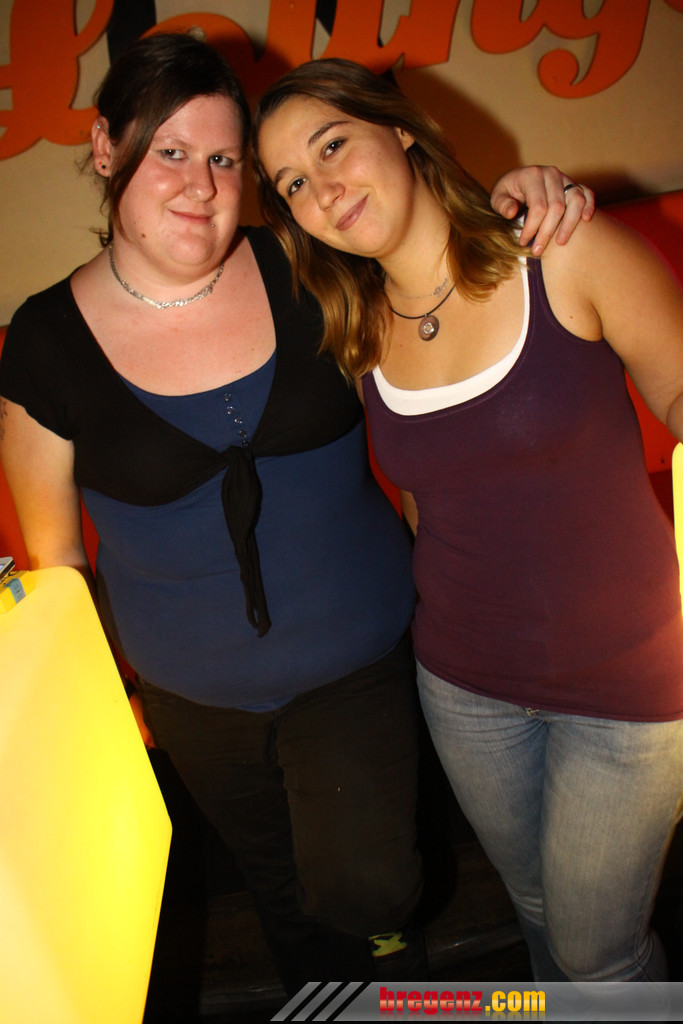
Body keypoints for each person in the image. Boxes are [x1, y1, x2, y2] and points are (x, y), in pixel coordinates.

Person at [0, 33, 593, 996]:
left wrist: (524, 196)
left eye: (224, 159)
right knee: (279, 892)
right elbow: (55, 556)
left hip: (360, 658)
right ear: (106, 148)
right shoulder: (44, 340)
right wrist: (101, 710)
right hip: (194, 698)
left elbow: (438, 254)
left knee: (371, 883)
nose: (201, 186)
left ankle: (392, 972)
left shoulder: (307, 263)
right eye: (169, 152)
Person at [252, 57, 683, 985]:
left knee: (599, 953)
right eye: (291, 183)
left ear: (400, 129)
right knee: (536, 913)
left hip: (629, 687)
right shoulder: (359, 330)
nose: (321, 189)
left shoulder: (561, 251)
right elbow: (427, 503)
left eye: (333, 145)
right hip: (465, 689)